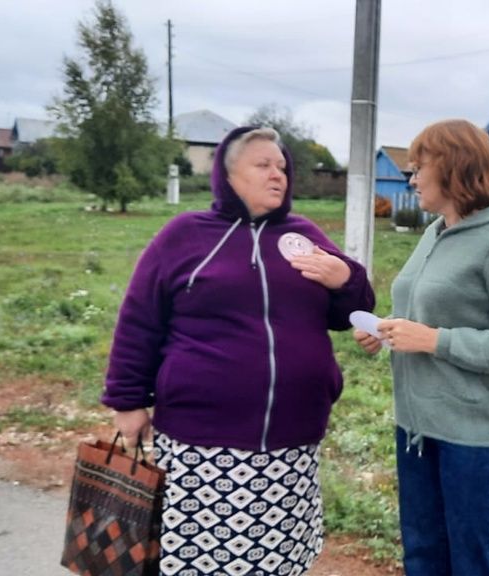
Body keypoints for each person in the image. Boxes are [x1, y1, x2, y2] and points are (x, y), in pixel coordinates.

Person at [103, 126, 375, 576]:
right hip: (201, 440)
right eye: (263, 165)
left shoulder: (302, 236)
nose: (278, 175)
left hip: (291, 439)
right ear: (228, 174)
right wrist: (127, 401)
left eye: (283, 167)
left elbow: (353, 310)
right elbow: (139, 320)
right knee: (197, 558)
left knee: (275, 558)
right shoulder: (185, 236)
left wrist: (343, 279)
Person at [353, 119, 489, 575]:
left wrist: (432, 340)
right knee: (423, 558)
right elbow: (425, 311)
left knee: (475, 563)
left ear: (457, 169)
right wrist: (386, 329)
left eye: (421, 167)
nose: (412, 177)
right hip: (417, 429)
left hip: (476, 439)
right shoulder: (434, 232)